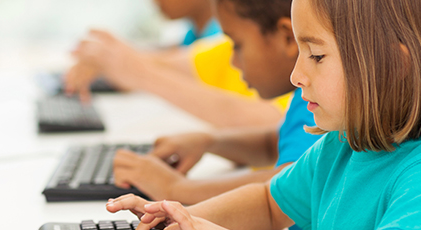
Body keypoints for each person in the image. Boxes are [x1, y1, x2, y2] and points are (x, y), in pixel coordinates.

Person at [105, 0, 421, 229]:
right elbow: (268, 204)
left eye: (317, 56)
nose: (296, 75)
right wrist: (183, 219)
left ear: (394, 64)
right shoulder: (340, 147)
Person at [110, 0, 318, 206]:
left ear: (287, 38)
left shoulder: (318, 100)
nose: (232, 62)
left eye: (237, 45)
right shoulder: (302, 98)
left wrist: (178, 189)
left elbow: (292, 182)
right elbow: (272, 144)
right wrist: (209, 142)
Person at [64, 0, 288, 128]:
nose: (233, 60)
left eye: (237, 45)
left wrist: (136, 71)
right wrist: (112, 58)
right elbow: (171, 62)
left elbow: (272, 123)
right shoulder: (227, 45)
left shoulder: (301, 78)